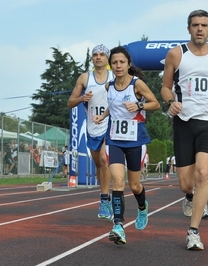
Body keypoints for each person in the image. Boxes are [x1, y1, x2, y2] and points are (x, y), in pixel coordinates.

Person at [160, 9, 208, 250]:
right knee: (186, 183)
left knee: (203, 173)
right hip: (184, 122)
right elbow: (165, 88)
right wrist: (171, 102)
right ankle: (191, 197)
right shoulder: (176, 54)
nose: (200, 29)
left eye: (204, 25)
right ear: (189, 29)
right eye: (195, 25)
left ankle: (193, 232)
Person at [93, 45, 160, 245]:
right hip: (114, 139)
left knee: (135, 185)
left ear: (128, 64)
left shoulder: (137, 85)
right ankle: (118, 225)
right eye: (114, 62)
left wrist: (139, 105)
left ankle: (142, 207)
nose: (118, 65)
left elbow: (155, 103)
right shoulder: (109, 87)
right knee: (118, 181)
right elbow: (112, 108)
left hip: (135, 140)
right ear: (110, 65)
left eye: (122, 62)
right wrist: (101, 116)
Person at [68, 44, 114, 221]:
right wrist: (81, 98)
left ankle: (104, 199)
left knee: (104, 159)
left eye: (102, 54)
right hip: (92, 126)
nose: (98, 57)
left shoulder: (113, 76)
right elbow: (70, 102)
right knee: (99, 165)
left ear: (107, 58)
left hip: (109, 123)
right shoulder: (85, 78)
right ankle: (104, 190)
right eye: (95, 54)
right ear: (92, 58)